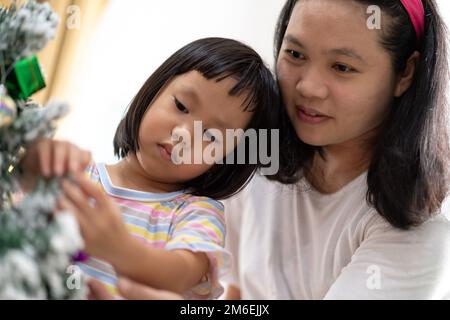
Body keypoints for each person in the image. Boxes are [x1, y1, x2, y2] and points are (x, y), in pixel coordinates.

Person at [92, 0, 450, 300]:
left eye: (342, 67)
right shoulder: (249, 147)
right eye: (295, 53)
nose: (308, 88)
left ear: (405, 73)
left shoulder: (411, 230)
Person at [20, 37, 280, 299]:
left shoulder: (196, 214)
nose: (183, 134)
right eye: (181, 106)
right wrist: (37, 161)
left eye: (211, 137)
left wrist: (121, 249)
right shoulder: (81, 177)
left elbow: (181, 273)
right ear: (154, 90)